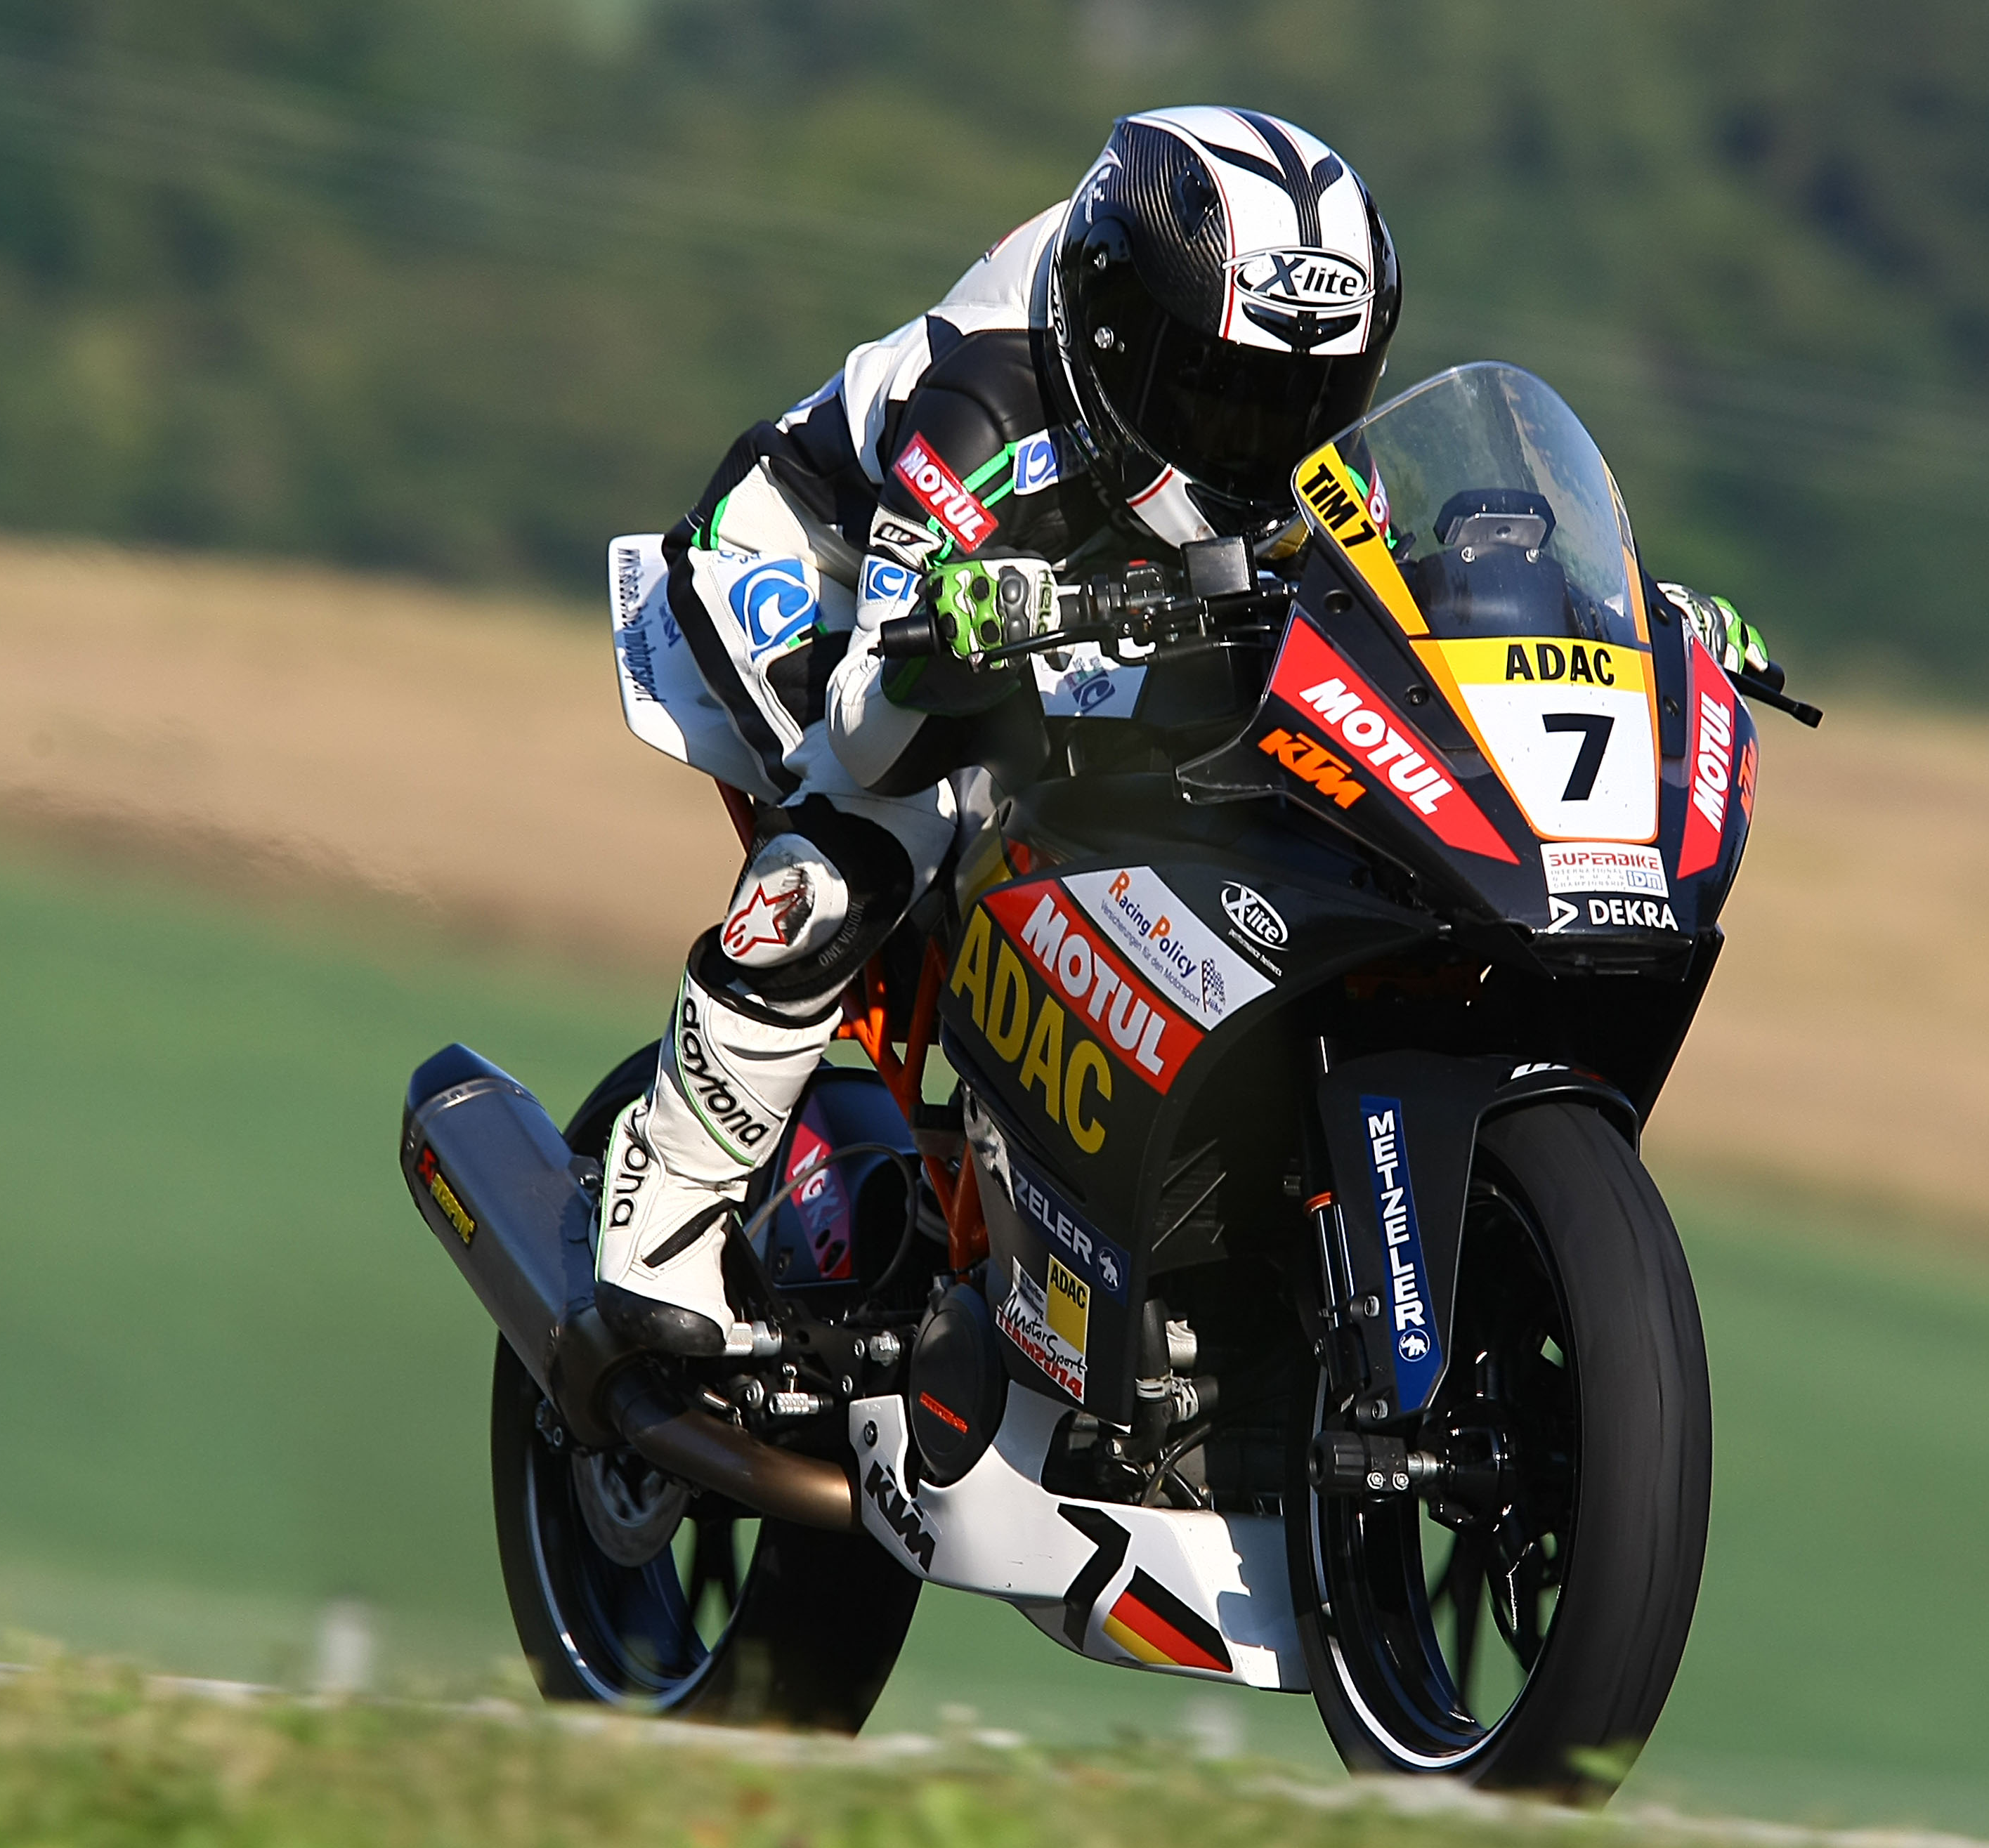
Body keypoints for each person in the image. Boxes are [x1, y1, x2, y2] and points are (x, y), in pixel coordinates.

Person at [591, 107, 1404, 1356]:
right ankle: (662, 1215)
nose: (1259, 438)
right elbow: (871, 719)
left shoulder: (1305, 457)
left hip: (1075, 605)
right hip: (811, 571)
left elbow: (1379, 611)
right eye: (1218, 391)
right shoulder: (989, 399)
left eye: (1300, 400)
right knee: (873, 828)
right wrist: (965, 644)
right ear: (1119, 331)